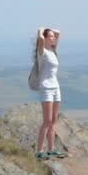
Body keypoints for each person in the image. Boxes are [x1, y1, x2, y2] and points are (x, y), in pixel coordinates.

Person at [34, 27, 66, 159]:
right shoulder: (42, 52)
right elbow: (40, 37)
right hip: (46, 88)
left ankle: (51, 149)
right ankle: (39, 151)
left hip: (56, 88)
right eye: (51, 36)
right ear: (45, 38)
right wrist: (41, 30)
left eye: (53, 37)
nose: (54, 38)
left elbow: (59, 32)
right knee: (47, 121)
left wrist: (50, 31)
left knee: (53, 120)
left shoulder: (52, 50)